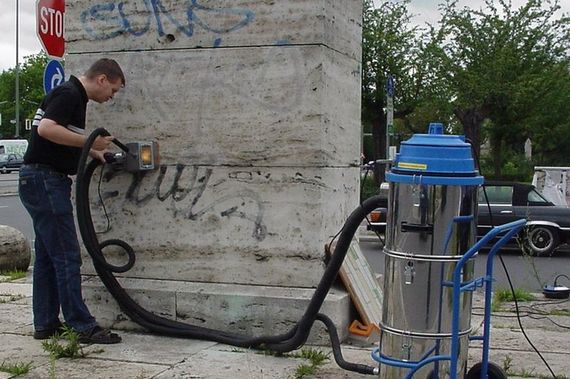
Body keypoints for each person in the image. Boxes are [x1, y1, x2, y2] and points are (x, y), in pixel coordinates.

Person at [19, 58, 125, 344]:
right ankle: (81, 325)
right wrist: (91, 144)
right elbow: (46, 129)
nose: (111, 97)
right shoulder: (69, 94)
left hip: (38, 179)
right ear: (102, 79)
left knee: (47, 257)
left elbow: (62, 134)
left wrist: (94, 152)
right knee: (67, 256)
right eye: (112, 90)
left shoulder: (71, 95)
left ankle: (45, 323)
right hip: (45, 180)